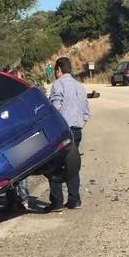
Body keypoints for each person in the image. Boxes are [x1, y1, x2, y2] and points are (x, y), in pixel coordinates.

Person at [45, 57, 90, 212]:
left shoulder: (58, 85)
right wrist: (79, 123)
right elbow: (86, 113)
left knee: (54, 166)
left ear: (58, 70)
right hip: (77, 131)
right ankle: (74, 200)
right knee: (72, 165)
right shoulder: (80, 86)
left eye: (55, 71)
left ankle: (57, 202)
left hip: (62, 131)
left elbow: (56, 107)